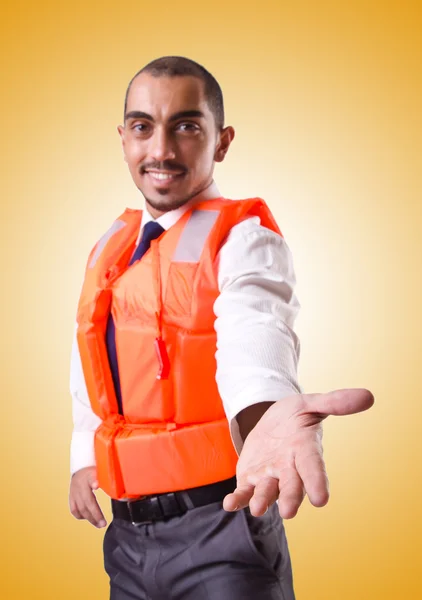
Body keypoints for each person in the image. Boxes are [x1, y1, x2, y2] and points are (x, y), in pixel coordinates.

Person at [69, 56, 374, 600]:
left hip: (222, 528)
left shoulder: (243, 238)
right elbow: (94, 362)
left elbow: (255, 332)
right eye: (143, 127)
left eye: (186, 127)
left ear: (222, 140)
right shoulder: (110, 247)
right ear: (123, 138)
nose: (160, 150)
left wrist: (269, 410)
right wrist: (84, 457)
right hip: (127, 539)